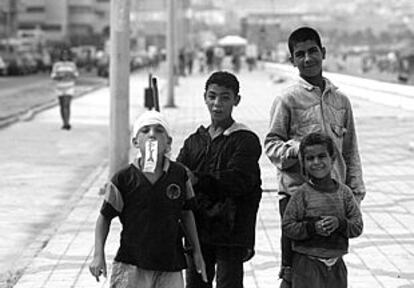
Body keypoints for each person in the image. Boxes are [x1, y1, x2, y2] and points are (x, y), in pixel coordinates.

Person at [264, 26, 365, 288]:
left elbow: (350, 150)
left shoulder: (341, 101)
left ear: (323, 52)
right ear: (292, 60)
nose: (307, 59)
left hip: (334, 197)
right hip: (297, 198)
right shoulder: (286, 99)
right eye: (300, 54)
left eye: (312, 51)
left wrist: (355, 193)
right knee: (294, 273)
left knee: (331, 267)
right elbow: (271, 146)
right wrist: (298, 149)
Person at [89, 111, 207, 288]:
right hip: (132, 263)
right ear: (136, 142)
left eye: (159, 130)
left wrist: (197, 252)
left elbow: (187, 213)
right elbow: (104, 217)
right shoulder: (123, 179)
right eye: (145, 130)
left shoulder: (179, 175)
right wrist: (98, 254)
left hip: (170, 264)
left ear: (168, 142)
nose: (152, 134)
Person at [176, 71, 262, 288]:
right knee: (195, 284)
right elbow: (178, 177)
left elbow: (239, 180)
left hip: (230, 232)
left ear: (236, 100)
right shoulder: (194, 141)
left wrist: (198, 179)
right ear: (204, 97)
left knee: (228, 284)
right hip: (197, 231)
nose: (217, 103)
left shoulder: (245, 140)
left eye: (225, 97)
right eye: (212, 96)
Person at [282, 132, 363, 288]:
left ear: (332, 159)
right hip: (307, 266)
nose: (316, 162)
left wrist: (339, 224)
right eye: (310, 158)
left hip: (336, 267)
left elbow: (357, 226)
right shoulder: (301, 194)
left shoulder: (344, 193)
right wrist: (313, 228)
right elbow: (288, 226)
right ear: (303, 163)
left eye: (322, 156)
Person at [50, 49, 79, 130]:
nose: (65, 56)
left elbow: (76, 74)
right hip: (60, 87)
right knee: (62, 105)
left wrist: (70, 75)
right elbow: (53, 75)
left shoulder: (72, 65)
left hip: (69, 87)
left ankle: (67, 123)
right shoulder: (57, 65)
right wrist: (59, 76)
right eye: (63, 55)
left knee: (67, 104)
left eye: (66, 55)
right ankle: (64, 122)